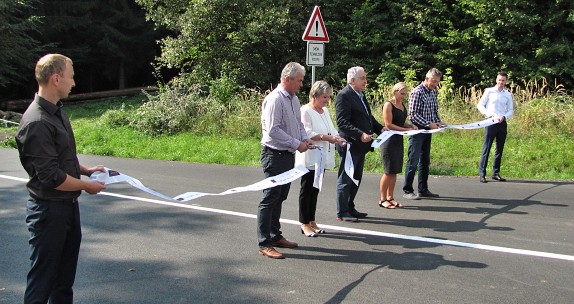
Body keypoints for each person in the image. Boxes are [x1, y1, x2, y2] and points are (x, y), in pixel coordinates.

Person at [16, 54, 107, 304]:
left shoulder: (56, 113)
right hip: (48, 213)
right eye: (71, 76)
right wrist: (86, 186)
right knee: (43, 281)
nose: (74, 82)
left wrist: (86, 170)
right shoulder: (37, 122)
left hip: (67, 209)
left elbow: (62, 157)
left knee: (63, 282)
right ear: (56, 79)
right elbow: (51, 176)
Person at [258, 62, 314, 259]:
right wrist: (295, 143)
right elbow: (272, 130)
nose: (301, 85)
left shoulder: (294, 99)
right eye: (298, 81)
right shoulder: (274, 100)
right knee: (270, 198)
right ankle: (264, 243)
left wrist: (304, 139)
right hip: (274, 155)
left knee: (280, 196)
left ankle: (275, 235)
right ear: (287, 79)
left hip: (287, 154)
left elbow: (298, 124)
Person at [295, 81, 346, 237]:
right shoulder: (305, 111)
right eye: (324, 97)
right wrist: (326, 137)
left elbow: (331, 129)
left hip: (322, 156)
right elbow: (307, 133)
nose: (327, 100)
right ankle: (304, 223)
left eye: (328, 97)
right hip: (310, 156)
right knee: (307, 190)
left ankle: (311, 220)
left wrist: (338, 138)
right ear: (314, 95)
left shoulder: (325, 111)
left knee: (316, 189)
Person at [335, 66, 385, 222]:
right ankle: (342, 212)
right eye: (362, 78)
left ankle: (350, 207)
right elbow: (342, 122)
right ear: (352, 80)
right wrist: (359, 134)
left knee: (356, 177)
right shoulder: (344, 95)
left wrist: (380, 129)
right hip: (350, 144)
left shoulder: (361, 95)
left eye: (365, 78)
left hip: (361, 146)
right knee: (346, 178)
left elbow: (368, 118)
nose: (366, 81)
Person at [403, 68, 445, 200]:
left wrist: (438, 122)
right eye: (433, 81)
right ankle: (407, 190)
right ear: (427, 79)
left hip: (429, 131)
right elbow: (413, 115)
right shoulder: (417, 92)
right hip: (417, 131)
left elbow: (434, 111)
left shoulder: (433, 93)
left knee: (425, 161)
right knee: (413, 160)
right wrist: (428, 123)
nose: (435, 84)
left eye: (437, 82)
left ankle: (423, 189)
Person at [379, 82, 417, 209]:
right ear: (395, 92)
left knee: (395, 171)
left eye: (405, 94)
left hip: (398, 140)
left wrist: (410, 126)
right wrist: (405, 130)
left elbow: (400, 121)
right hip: (388, 140)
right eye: (401, 93)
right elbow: (388, 124)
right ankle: (382, 199)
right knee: (388, 171)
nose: (403, 96)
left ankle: (391, 197)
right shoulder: (388, 105)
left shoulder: (402, 104)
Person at [477, 71, 514, 183]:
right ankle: (482, 173)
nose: (501, 82)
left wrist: (505, 116)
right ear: (496, 80)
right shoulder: (489, 91)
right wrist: (489, 114)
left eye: (503, 80)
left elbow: (511, 110)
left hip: (502, 123)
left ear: (505, 81)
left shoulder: (508, 94)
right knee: (487, 147)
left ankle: (496, 172)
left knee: (499, 148)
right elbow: (480, 105)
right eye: (499, 80)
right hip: (490, 122)